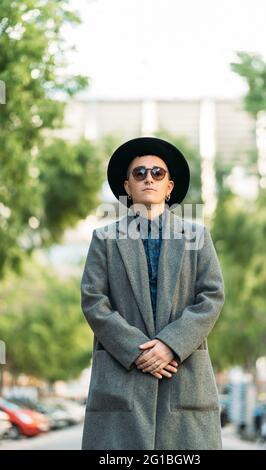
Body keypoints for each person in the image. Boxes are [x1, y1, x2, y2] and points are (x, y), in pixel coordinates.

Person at [80, 136, 225, 450]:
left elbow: (211, 295)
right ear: (128, 187)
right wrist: (138, 350)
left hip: (184, 378)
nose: (149, 178)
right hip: (122, 376)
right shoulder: (105, 238)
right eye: (139, 173)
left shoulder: (196, 236)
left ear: (169, 186)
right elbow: (93, 300)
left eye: (157, 173)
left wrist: (171, 345)